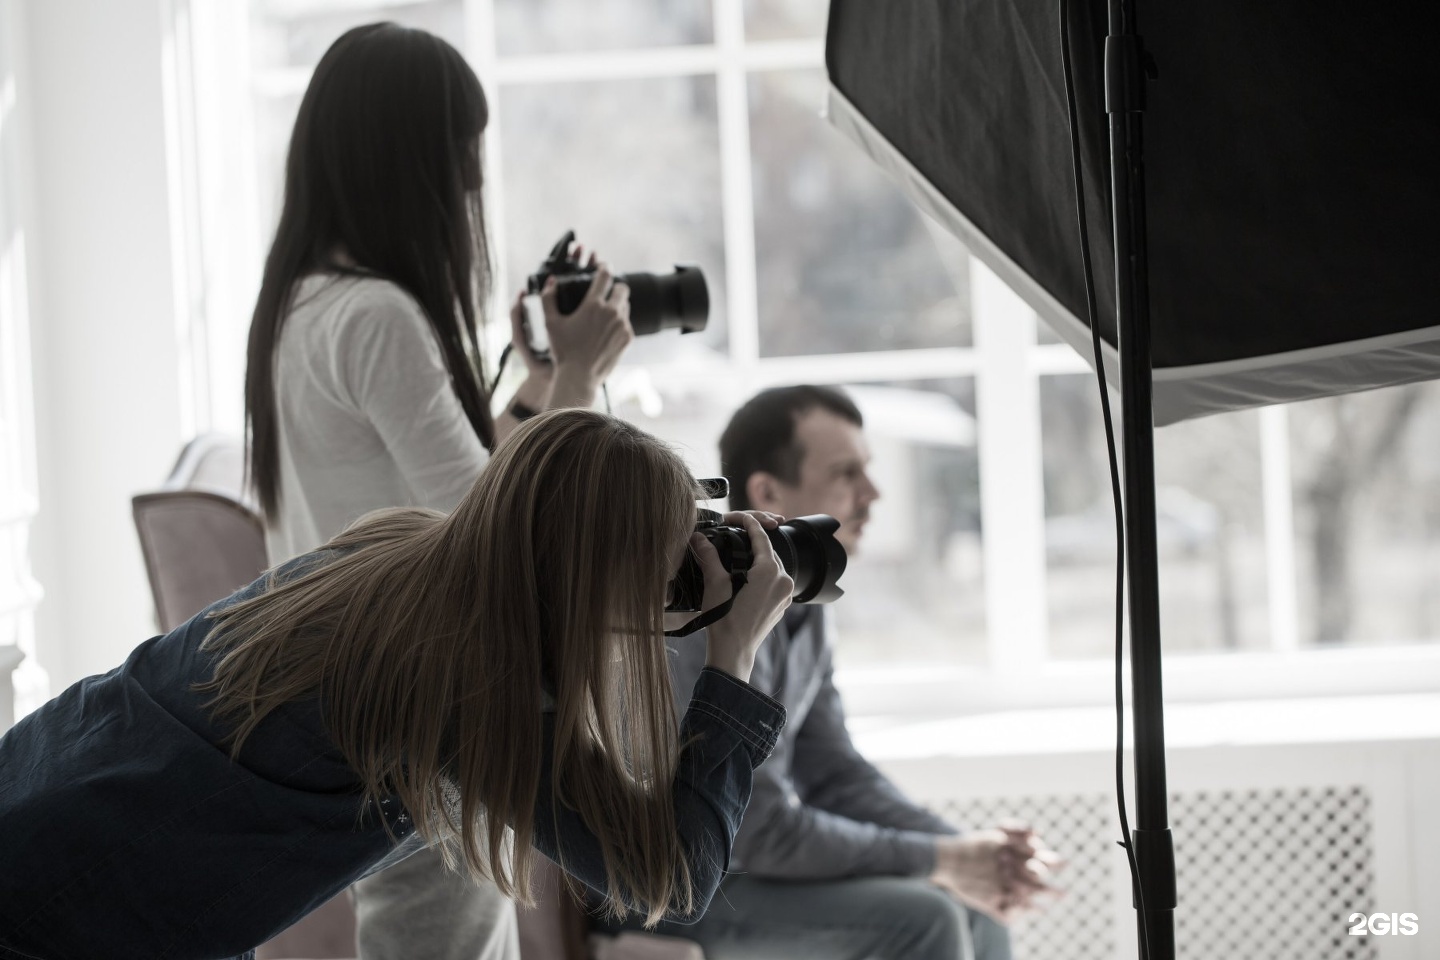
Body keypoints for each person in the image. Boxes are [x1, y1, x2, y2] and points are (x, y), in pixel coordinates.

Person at [0, 410, 795, 960]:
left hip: (41, 797)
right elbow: (676, 876)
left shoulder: (406, 552)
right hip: (68, 909)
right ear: (602, 573)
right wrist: (733, 658)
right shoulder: (466, 674)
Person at [242, 23, 632, 958]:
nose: (472, 185)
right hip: (420, 695)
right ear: (410, 159)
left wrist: (539, 382)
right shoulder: (378, 313)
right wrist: (580, 381)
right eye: (462, 155)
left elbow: (435, 488)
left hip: (363, 689)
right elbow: (490, 531)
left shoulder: (306, 299)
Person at [602, 386, 1061, 960]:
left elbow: (833, 771)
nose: (873, 494)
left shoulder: (805, 608)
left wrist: (970, 850)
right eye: (847, 474)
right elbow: (757, 828)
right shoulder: (698, 617)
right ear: (767, 491)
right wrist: (941, 861)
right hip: (675, 889)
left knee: (975, 900)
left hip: (746, 870)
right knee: (927, 917)